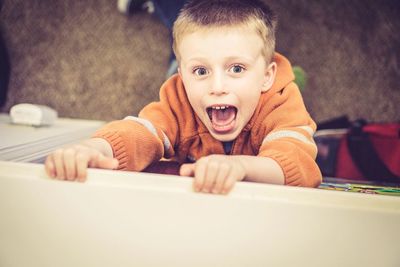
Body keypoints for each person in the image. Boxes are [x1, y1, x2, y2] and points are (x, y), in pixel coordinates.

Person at [45, 0, 322, 194]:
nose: (217, 86)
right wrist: (96, 149)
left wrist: (239, 167)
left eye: (236, 68)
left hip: (200, 80)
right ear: (184, 75)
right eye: (202, 71)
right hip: (183, 83)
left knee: (191, 38)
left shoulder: (283, 103)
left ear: (267, 76)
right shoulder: (179, 96)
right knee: (184, 38)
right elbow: (143, 131)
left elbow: (297, 163)